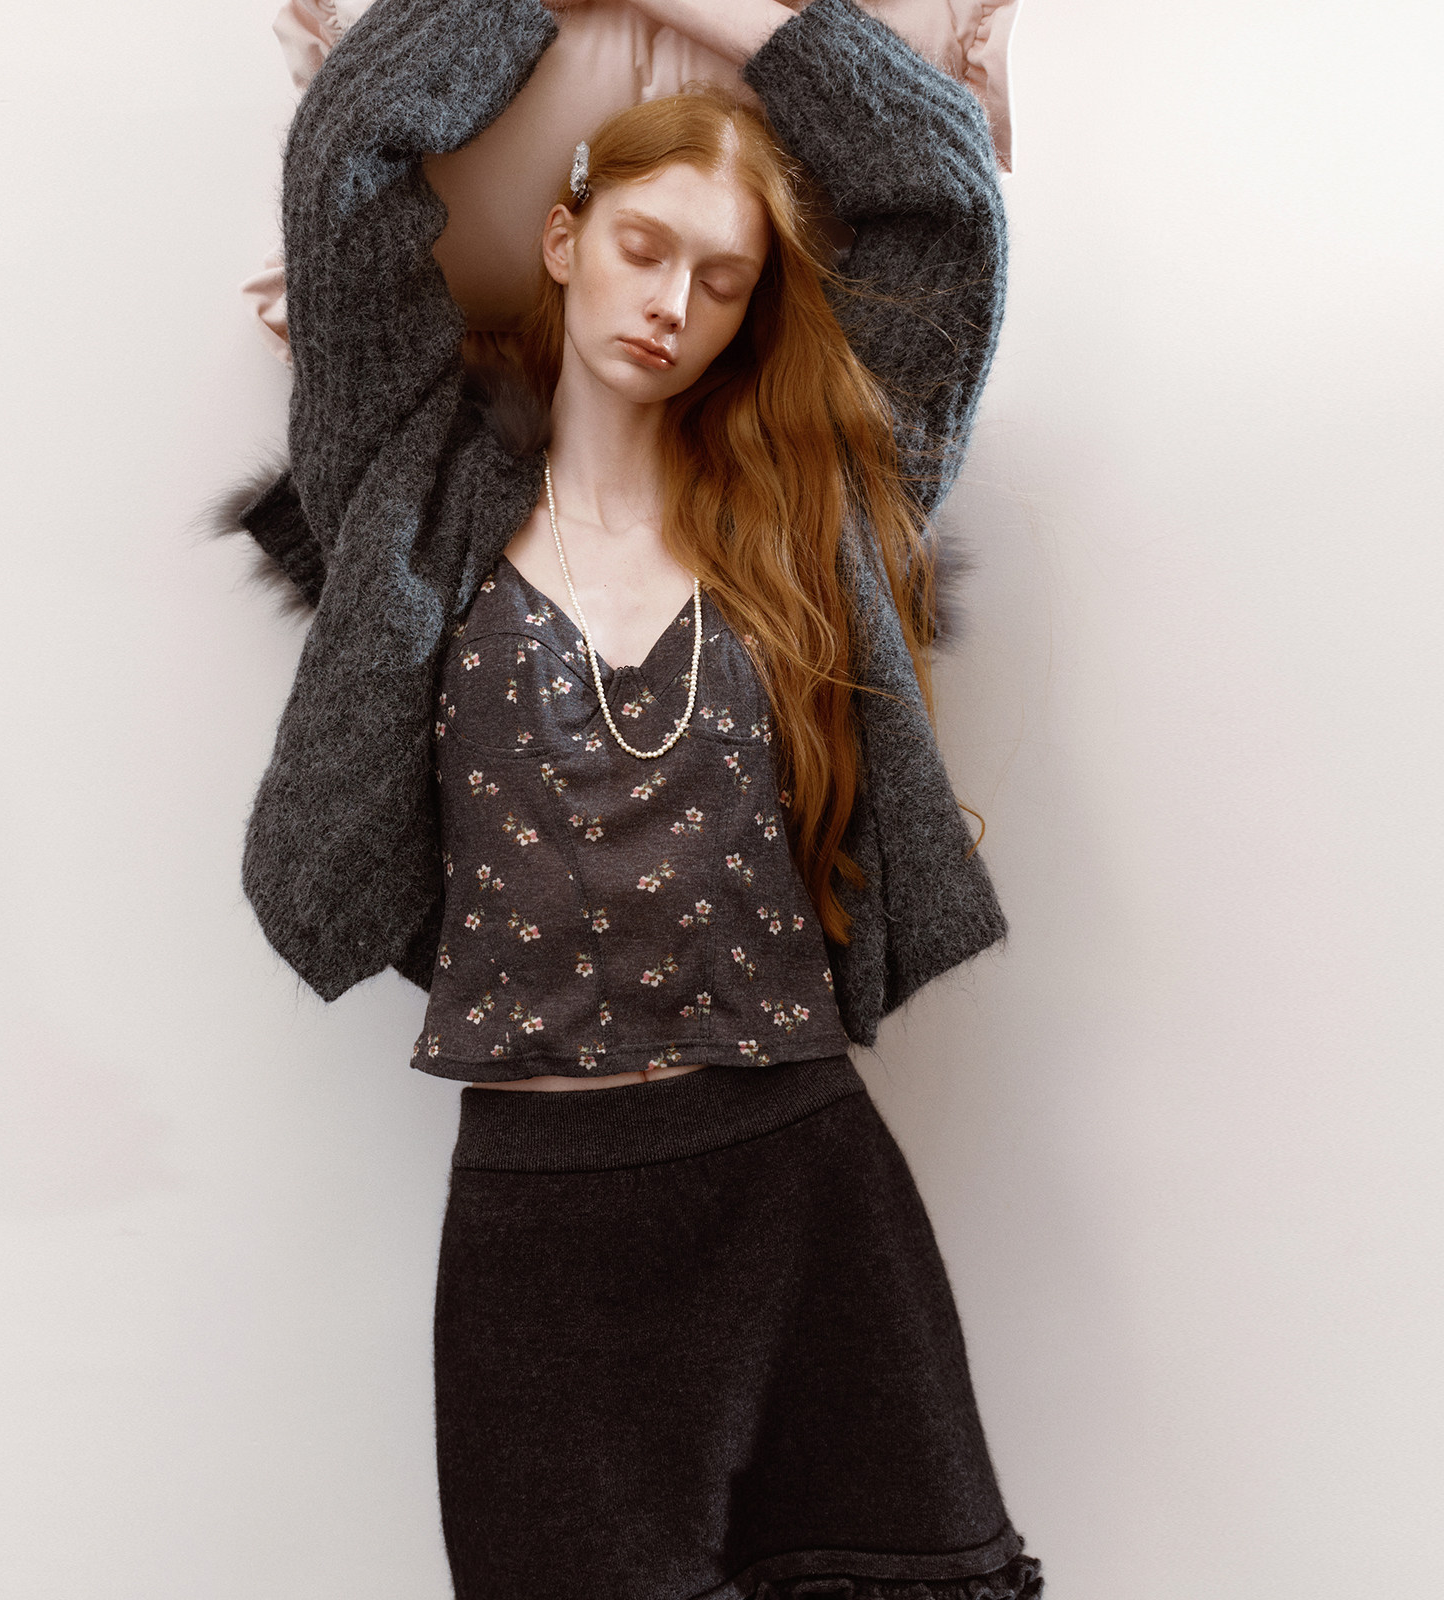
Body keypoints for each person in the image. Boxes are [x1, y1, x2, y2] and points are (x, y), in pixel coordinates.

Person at [219, 0, 1043, 1594]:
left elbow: (943, 201)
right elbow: (349, 153)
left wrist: (738, 16)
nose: (673, 303)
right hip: (540, 1223)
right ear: (563, 237)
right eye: (645, 247)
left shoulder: (816, 503)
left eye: (722, 280)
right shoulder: (410, 484)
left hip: (802, 1181)